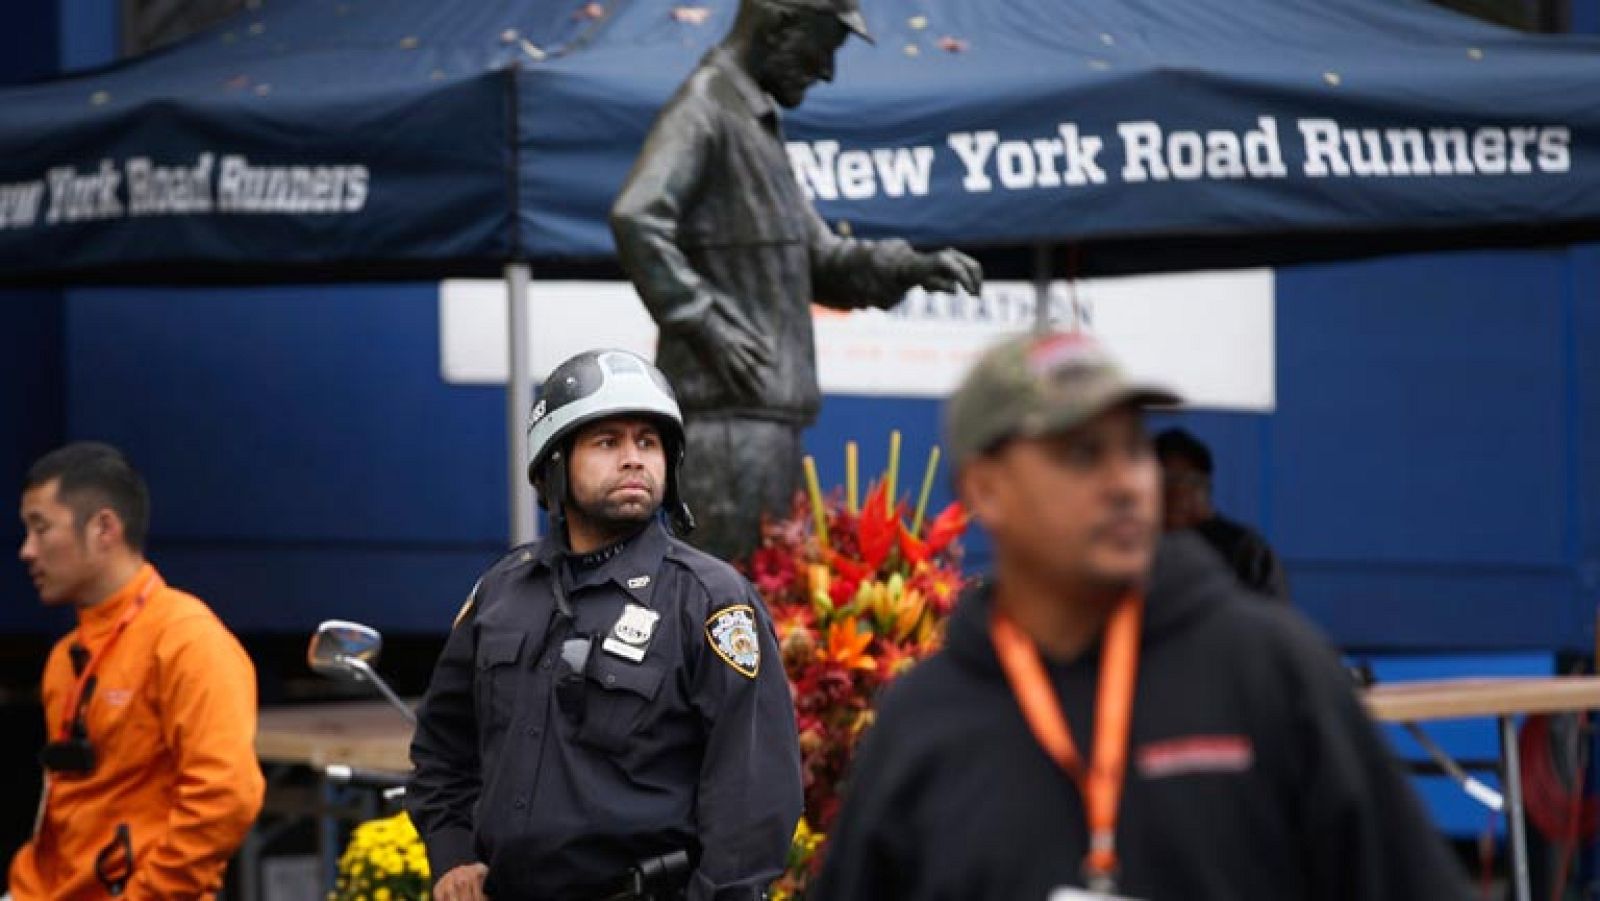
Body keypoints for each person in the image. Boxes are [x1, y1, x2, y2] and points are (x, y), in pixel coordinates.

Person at [814, 332, 1471, 900]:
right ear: (986, 488)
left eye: (1134, 449)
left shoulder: (1270, 670)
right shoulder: (926, 721)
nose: (1126, 481)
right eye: (1082, 453)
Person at [407, 349, 803, 901]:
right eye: (607, 442)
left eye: (648, 441)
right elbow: (443, 745)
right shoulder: (500, 592)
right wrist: (454, 854)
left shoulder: (711, 600)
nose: (634, 458)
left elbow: (753, 793)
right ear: (553, 464)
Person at [611, 0, 983, 562]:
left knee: (751, 613)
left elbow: (819, 259)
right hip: (728, 430)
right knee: (725, 613)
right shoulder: (707, 106)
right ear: (780, 26)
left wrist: (909, 266)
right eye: (824, 48)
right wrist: (706, 325)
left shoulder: (749, 118)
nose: (826, 72)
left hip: (754, 425)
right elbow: (637, 216)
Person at [9, 442, 263, 900]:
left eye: (40, 528)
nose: (26, 551)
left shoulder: (188, 641)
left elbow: (227, 797)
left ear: (104, 527)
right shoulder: (66, 656)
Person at [1156, 426, 1290, 601]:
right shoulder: (1140, 549)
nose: (1172, 493)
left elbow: (1272, 614)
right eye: (1160, 482)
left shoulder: (1246, 550)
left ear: (1203, 484)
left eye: (1176, 480)